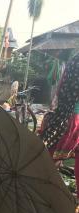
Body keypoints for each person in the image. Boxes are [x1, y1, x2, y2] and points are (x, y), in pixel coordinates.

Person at [41, 53, 79, 190]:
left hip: (66, 114)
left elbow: (61, 89)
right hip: (71, 117)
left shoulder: (74, 59)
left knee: (51, 159)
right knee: (52, 161)